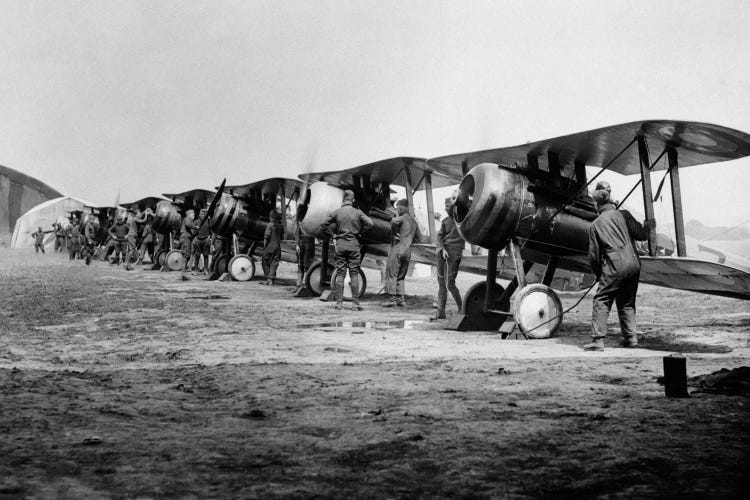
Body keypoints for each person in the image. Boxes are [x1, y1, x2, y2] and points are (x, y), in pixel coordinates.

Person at [584, 183, 656, 351]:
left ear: (597, 204)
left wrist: (598, 274)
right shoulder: (624, 214)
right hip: (634, 263)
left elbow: (594, 256)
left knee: (601, 299)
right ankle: (631, 338)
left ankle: (597, 340)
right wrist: (648, 226)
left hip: (615, 265)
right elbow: (641, 235)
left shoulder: (595, 224)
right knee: (627, 302)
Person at [321, 189, 374, 310]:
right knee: (354, 273)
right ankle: (355, 304)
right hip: (354, 244)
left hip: (340, 244)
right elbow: (370, 223)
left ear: (343, 200)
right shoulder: (358, 212)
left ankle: (339, 303)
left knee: (340, 273)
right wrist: (360, 233)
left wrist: (333, 235)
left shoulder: (337, 212)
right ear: (353, 200)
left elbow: (323, 225)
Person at [432, 195, 466, 320]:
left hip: (455, 252)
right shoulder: (445, 221)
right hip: (443, 252)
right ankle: (441, 312)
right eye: (445, 205)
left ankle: (462, 308)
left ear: (454, 206)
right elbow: (440, 236)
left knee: (450, 283)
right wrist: (442, 249)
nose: (445, 208)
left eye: (447, 206)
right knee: (441, 283)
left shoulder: (463, 220)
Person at [383, 198, 418, 307]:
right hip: (408, 252)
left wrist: (394, 234)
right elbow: (418, 238)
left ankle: (392, 299)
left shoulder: (401, 218)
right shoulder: (414, 223)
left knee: (392, 273)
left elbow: (393, 221)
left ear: (403, 208)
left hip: (398, 248)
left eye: (398, 208)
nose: (397, 210)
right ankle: (401, 299)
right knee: (401, 276)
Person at [261, 209, 284, 285]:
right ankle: (271, 279)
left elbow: (266, 237)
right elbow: (282, 238)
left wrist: (264, 248)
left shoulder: (270, 225)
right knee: (274, 263)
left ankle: (269, 279)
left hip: (270, 246)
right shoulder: (280, 226)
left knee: (265, 262)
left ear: (270, 217)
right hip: (278, 247)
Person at [294, 220, 316, 294]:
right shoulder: (301, 223)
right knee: (300, 265)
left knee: (308, 266)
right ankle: (298, 285)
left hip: (309, 244)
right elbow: (297, 234)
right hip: (302, 244)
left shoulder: (312, 222)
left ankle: (308, 285)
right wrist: (297, 244)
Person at [191, 208, 211, 274]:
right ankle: (196, 270)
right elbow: (192, 231)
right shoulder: (196, 221)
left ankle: (205, 270)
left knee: (206, 255)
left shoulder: (209, 221)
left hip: (206, 239)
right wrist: (195, 230)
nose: (203, 215)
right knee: (197, 255)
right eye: (202, 214)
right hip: (198, 239)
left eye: (204, 214)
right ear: (199, 214)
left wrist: (209, 238)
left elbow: (212, 230)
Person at [179, 209, 198, 277]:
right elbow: (188, 224)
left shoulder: (191, 221)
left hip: (187, 238)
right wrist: (195, 227)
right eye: (193, 215)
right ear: (189, 215)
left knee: (188, 256)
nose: (194, 216)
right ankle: (183, 272)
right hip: (185, 238)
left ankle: (184, 271)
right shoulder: (187, 219)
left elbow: (192, 232)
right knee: (186, 255)